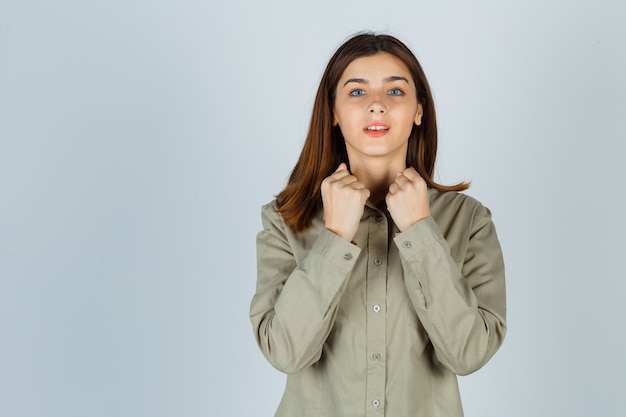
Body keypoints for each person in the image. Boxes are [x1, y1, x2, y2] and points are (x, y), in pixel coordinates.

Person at [250, 32, 506, 417]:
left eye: (396, 91)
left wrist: (421, 231)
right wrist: (334, 237)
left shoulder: (468, 221)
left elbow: (468, 355)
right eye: (356, 92)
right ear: (332, 112)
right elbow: (285, 353)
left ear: (419, 110)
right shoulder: (286, 220)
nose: (376, 106)